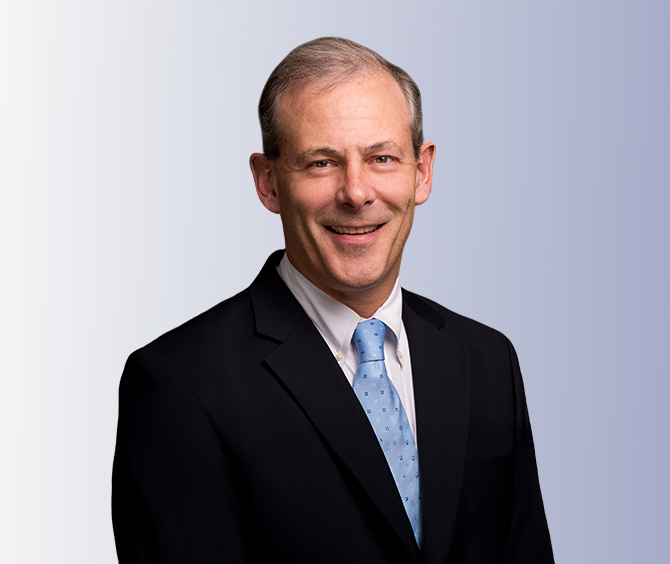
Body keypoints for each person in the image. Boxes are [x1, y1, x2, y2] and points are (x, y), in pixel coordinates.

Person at [112, 37, 554, 563]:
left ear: (422, 172)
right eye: (322, 163)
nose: (357, 192)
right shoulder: (179, 384)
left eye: (382, 158)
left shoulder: (487, 361)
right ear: (268, 182)